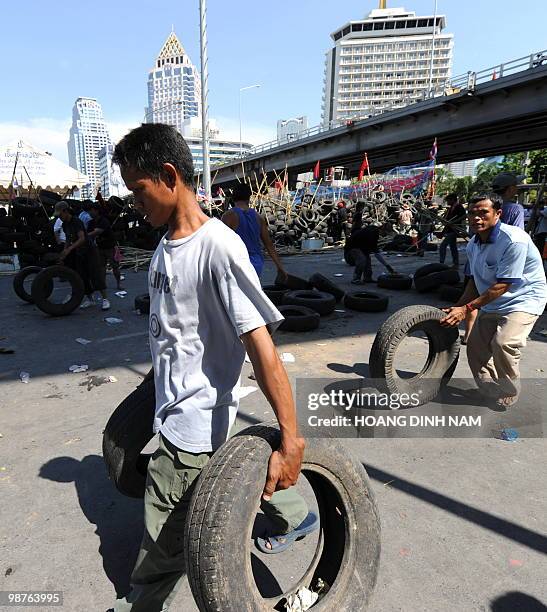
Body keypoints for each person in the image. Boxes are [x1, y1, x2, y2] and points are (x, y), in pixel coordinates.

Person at [111, 124, 315, 611]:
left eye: (139, 192)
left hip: (191, 425)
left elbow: (261, 344)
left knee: (163, 541)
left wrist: (291, 438)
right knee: (221, 485)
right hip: (177, 409)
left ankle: (141, 606)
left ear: (168, 175)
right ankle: (296, 512)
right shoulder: (164, 247)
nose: (137, 206)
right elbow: (174, 332)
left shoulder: (217, 247)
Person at [440, 193, 547, 408]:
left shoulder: (513, 241)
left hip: (524, 300)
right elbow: (474, 281)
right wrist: (460, 306)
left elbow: (503, 285)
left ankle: (509, 391)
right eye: (472, 213)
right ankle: (490, 390)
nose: (476, 218)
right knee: (476, 348)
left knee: (503, 343)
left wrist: (468, 308)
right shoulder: (473, 244)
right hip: (493, 301)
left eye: (483, 213)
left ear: (497, 214)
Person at [221, 182, 287, 280]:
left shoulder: (228, 216)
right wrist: (280, 268)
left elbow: (221, 245)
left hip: (237, 265)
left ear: (233, 198)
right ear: (249, 198)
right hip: (256, 265)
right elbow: (269, 245)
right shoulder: (259, 217)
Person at [55, 202, 110, 310]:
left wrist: (70, 248)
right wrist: (65, 251)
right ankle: (90, 299)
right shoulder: (65, 224)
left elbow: (82, 238)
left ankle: (105, 299)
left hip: (89, 250)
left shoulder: (76, 221)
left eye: (60, 215)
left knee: (95, 274)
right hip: (79, 252)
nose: (59, 218)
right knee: (82, 276)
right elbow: (68, 239)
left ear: (65, 211)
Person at [87, 202, 123, 291]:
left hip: (110, 246)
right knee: (101, 267)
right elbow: (90, 234)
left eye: (91, 211)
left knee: (115, 266)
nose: (90, 213)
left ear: (97, 211)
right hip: (100, 247)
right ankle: (103, 285)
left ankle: (119, 284)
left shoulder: (103, 221)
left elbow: (97, 232)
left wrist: (85, 236)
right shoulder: (91, 222)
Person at [439, 193, 466, 268]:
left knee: (443, 246)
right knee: (453, 247)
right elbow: (447, 220)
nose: (447, 202)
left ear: (453, 200)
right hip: (449, 229)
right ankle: (456, 263)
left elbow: (464, 216)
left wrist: (454, 222)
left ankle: (441, 263)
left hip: (454, 229)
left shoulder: (459, 206)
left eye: (448, 200)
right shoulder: (450, 208)